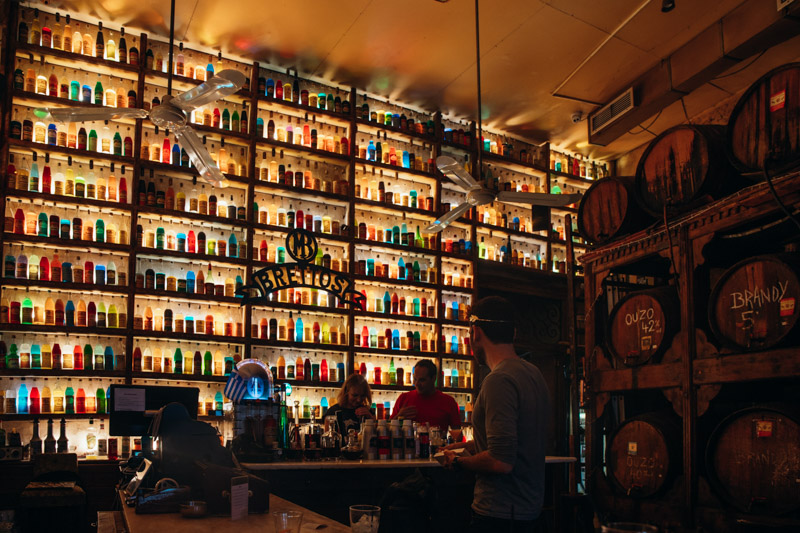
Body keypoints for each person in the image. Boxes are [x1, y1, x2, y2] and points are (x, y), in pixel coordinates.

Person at [442, 296, 551, 533]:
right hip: (529, 511)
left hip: (499, 513)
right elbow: (516, 439)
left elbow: (501, 462)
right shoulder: (534, 373)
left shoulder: (499, 380)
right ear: (512, 334)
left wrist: (458, 462)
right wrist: (464, 446)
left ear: (476, 332)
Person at [390, 359, 462, 439]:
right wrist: (398, 416)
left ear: (433, 379)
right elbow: (389, 430)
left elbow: (457, 434)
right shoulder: (403, 398)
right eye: (415, 379)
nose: (417, 384)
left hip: (438, 449)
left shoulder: (448, 401)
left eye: (422, 380)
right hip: (409, 449)